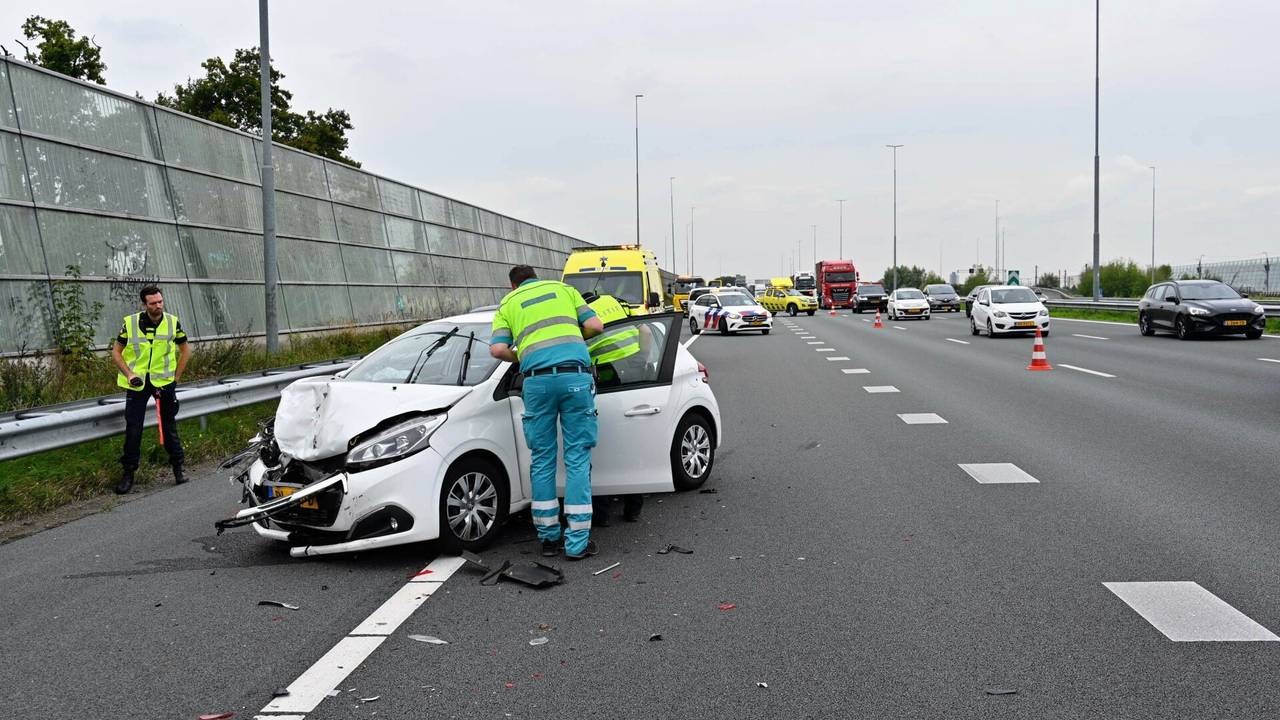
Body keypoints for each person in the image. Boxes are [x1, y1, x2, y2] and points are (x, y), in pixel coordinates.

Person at [489, 265, 604, 560]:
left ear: (513, 286)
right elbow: (596, 327)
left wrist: (525, 354)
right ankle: (577, 542)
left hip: (536, 383)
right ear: (537, 278)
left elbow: (498, 349)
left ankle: (549, 538)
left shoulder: (509, 303)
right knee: (577, 456)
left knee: (542, 458)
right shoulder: (564, 290)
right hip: (575, 378)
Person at [111, 285, 192, 494]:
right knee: (133, 428)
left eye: (160, 301)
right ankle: (128, 473)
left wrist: (176, 378)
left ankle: (178, 468)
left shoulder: (172, 322)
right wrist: (130, 374)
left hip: (163, 382)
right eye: (153, 303)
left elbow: (185, 350)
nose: (158, 306)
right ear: (144, 304)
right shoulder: (130, 323)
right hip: (138, 383)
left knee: (168, 426)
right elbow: (116, 352)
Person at [584, 293, 646, 523]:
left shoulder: (579, 317)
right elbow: (646, 331)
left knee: (602, 450)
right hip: (632, 376)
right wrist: (642, 364)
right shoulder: (617, 302)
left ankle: (601, 514)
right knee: (629, 446)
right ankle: (633, 509)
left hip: (605, 380)